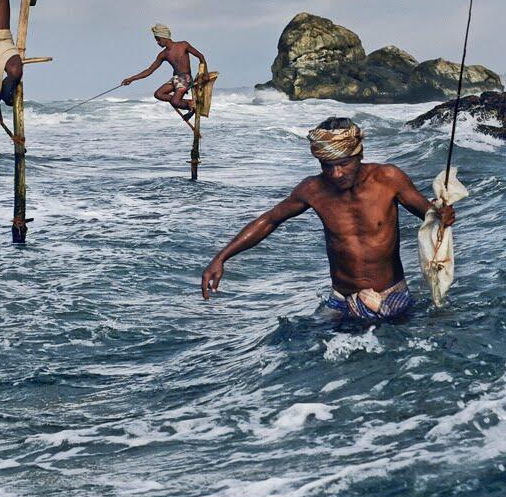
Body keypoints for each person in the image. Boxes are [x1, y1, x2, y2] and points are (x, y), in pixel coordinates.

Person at [200, 117, 456, 322]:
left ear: (358, 155)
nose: (335, 173)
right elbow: (269, 220)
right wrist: (221, 257)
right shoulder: (312, 190)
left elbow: (428, 212)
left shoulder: (388, 178)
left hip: (392, 296)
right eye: (326, 165)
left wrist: (442, 213)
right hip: (341, 300)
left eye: (343, 163)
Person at [121, 24, 207, 120]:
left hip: (185, 78)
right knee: (158, 94)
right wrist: (131, 79)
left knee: (175, 102)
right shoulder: (163, 54)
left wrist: (205, 73)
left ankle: (189, 105)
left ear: (164, 37)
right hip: (176, 78)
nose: (157, 42)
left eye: (158, 39)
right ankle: (188, 103)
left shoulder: (183, 45)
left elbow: (201, 56)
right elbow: (149, 70)